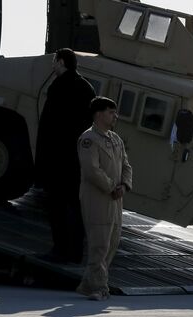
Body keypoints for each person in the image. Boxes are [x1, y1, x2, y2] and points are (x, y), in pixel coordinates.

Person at [35, 48, 96, 263]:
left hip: (58, 158)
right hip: (78, 158)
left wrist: (40, 159)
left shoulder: (58, 86)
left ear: (61, 62)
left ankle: (60, 250)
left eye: (54, 61)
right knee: (76, 207)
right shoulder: (87, 88)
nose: (53, 65)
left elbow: (48, 126)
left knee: (56, 206)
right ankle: (76, 252)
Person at [76, 97, 132, 301]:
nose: (115, 116)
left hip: (115, 199)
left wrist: (124, 185)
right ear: (98, 114)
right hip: (97, 199)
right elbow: (91, 170)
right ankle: (99, 288)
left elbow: (126, 165)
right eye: (110, 112)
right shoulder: (88, 139)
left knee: (112, 242)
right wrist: (111, 187)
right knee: (99, 244)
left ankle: (89, 284)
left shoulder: (115, 139)